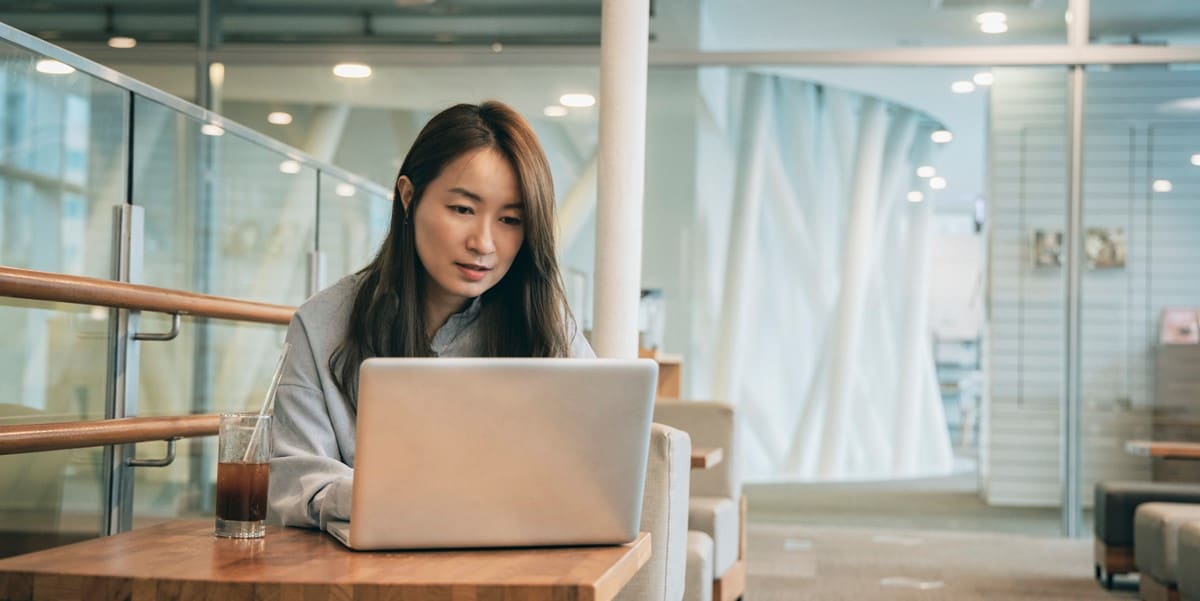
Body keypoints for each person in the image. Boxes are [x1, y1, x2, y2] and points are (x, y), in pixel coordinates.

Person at [269, 101, 594, 530]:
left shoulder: (545, 324)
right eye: (462, 209)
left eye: (510, 219)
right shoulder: (322, 324)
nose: (483, 242)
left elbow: (592, 462)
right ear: (409, 197)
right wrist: (396, 496)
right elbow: (294, 482)